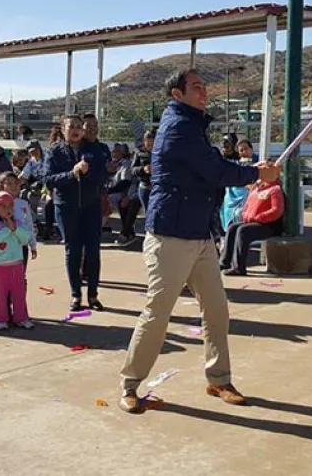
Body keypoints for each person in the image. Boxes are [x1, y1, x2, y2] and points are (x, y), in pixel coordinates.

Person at [119, 69, 281, 414]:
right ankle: (130, 384)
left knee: (217, 309)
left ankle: (219, 378)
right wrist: (255, 173)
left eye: (204, 86)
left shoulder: (191, 126)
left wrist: (251, 168)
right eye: (196, 87)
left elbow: (215, 166)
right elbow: (215, 171)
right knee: (158, 312)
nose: (204, 91)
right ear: (177, 94)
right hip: (170, 235)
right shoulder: (178, 127)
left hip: (199, 234)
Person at [43, 114, 109, 312]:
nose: (76, 130)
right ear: (63, 130)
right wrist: (72, 174)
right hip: (66, 207)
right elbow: (48, 180)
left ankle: (93, 295)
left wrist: (88, 173)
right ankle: (76, 295)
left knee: (93, 250)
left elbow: (102, 177)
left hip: (91, 206)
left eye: (79, 126)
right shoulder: (54, 152)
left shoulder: (94, 149)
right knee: (73, 250)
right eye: (72, 126)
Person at [0, 191, 34, 331]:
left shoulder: (18, 223)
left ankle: (21, 318)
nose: (8, 210)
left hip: (17, 265)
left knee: (19, 294)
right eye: (3, 207)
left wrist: (15, 228)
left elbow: (25, 238)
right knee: (1, 296)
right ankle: (2, 319)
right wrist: (8, 229)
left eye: (10, 206)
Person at [220, 178, 284, 277]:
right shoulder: (255, 189)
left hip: (268, 225)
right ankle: (224, 262)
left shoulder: (275, 189)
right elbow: (247, 206)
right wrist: (245, 216)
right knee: (233, 228)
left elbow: (276, 210)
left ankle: (239, 267)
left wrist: (261, 217)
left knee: (243, 231)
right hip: (252, 221)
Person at [0, 171, 37, 269]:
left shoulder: (23, 204)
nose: (14, 186)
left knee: (21, 274)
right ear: (1, 186)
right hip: (6, 245)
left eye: (16, 183)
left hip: (22, 245)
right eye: (9, 183)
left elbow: (29, 224)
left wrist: (32, 245)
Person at [131, 129, 155, 213]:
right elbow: (132, 170)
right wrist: (143, 169)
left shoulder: (161, 152)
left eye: (152, 142)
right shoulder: (139, 152)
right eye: (147, 142)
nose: (150, 145)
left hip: (159, 189)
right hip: (145, 188)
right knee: (149, 214)